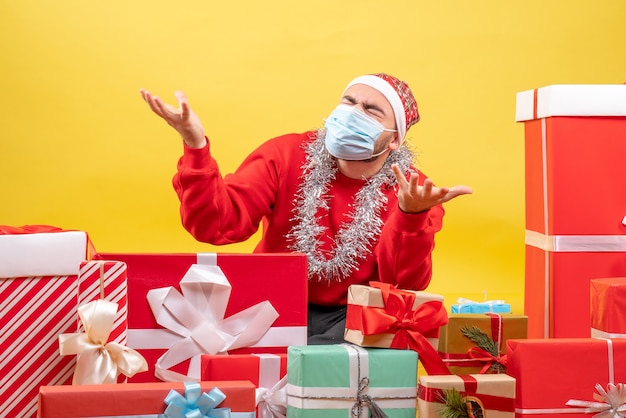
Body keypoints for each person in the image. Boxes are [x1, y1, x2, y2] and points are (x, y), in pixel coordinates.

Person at [140, 73, 472, 344]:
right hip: (270, 299)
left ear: (395, 138)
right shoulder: (284, 154)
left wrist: (411, 217)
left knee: (324, 373)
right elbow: (217, 225)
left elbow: (403, 285)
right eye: (349, 102)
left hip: (353, 315)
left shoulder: (414, 191)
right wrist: (196, 147)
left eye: (371, 110)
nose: (354, 114)